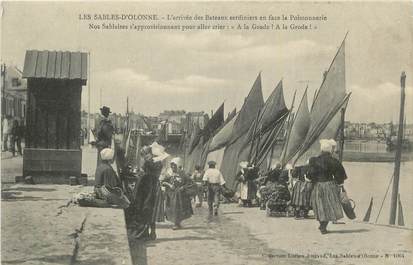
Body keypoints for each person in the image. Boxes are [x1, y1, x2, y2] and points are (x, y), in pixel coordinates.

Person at [125, 143, 167, 240]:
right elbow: (156, 173)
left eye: (143, 154)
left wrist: (138, 174)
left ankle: (144, 233)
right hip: (155, 186)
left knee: (144, 208)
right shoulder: (159, 162)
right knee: (151, 209)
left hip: (147, 186)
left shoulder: (148, 162)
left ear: (146, 153)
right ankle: (153, 233)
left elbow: (143, 174)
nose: (143, 157)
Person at [307, 139, 348, 234]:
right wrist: (340, 184)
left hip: (318, 186)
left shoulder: (313, 160)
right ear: (330, 150)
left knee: (320, 206)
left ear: (321, 150)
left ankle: (322, 225)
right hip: (329, 185)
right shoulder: (334, 161)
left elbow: (310, 175)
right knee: (329, 206)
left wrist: (313, 180)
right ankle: (323, 226)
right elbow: (340, 176)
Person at [162, 157, 193, 230]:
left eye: (174, 165)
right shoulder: (169, 174)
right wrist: (169, 185)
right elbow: (163, 182)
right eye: (172, 165)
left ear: (178, 165)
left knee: (179, 208)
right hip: (171, 194)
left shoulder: (183, 174)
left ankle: (177, 223)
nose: (173, 167)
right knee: (173, 208)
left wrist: (183, 187)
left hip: (180, 195)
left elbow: (190, 183)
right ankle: (176, 223)